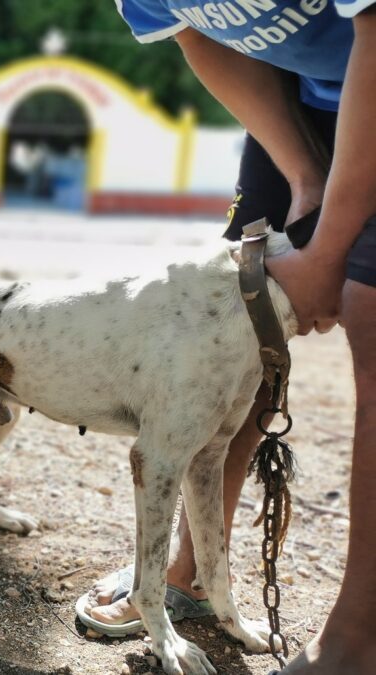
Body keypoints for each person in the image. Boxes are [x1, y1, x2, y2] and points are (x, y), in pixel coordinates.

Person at [79, 1, 376, 672]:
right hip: (309, 95)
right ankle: (189, 573)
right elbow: (196, 35)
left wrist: (328, 252)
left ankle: (357, 641)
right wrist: (305, 176)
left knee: (371, 318)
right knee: (237, 322)